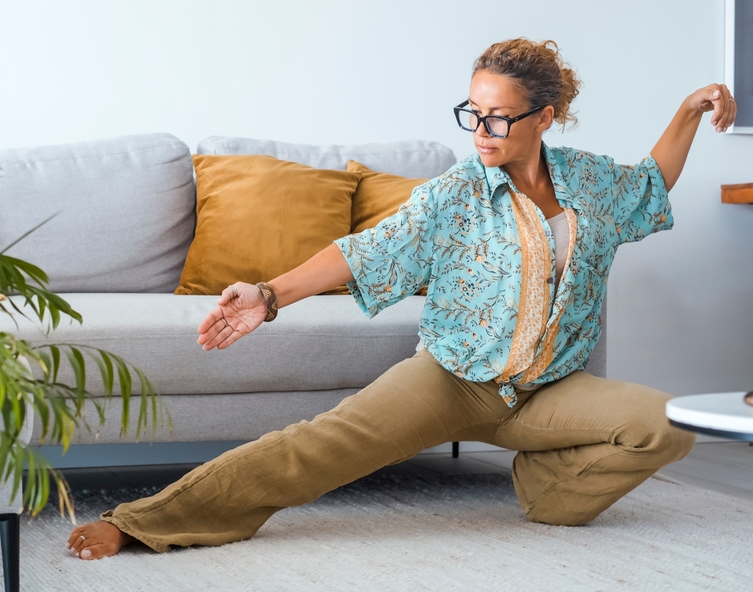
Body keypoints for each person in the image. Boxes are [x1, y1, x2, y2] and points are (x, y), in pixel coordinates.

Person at [66, 38, 738, 560]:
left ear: (545, 118)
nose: (480, 129)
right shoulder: (455, 195)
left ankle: (549, 487)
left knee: (670, 421)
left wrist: (686, 111)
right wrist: (270, 295)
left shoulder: (589, 183)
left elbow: (650, 183)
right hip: (449, 380)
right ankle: (141, 523)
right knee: (309, 448)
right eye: (472, 112)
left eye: (498, 117)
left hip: (549, 391)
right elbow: (365, 250)